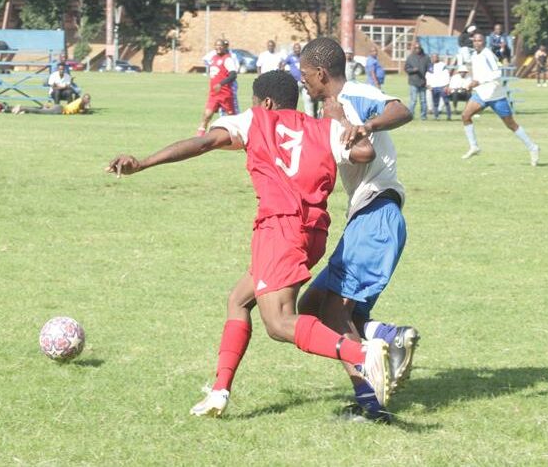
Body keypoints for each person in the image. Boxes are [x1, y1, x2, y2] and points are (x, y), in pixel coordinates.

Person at [104, 70, 392, 418]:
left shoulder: (256, 119)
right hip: (313, 232)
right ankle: (219, 391)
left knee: (279, 323)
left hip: (278, 229)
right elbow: (363, 153)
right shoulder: (323, 128)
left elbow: (204, 143)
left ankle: (364, 354)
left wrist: (144, 162)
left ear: (266, 103)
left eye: (255, 102)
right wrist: (344, 122)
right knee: (238, 300)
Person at [297, 37, 417, 422]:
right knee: (312, 307)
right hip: (365, 219)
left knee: (333, 311)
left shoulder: (355, 95)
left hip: (377, 214)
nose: (303, 84)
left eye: (304, 76)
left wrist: (364, 124)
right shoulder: (332, 112)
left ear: (320, 73)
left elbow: (402, 110)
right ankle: (388, 337)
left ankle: (371, 405)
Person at [460, 33, 540, 166]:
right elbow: (478, 74)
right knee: (465, 116)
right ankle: (474, 146)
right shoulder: (474, 55)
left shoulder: (488, 54)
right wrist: (471, 83)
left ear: (484, 42)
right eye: (474, 41)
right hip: (481, 94)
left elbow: (497, 73)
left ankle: (533, 148)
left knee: (511, 125)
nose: (476, 43)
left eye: (479, 40)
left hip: (496, 95)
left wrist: (479, 82)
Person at [196, 39, 238, 136]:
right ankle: (200, 135)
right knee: (207, 115)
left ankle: (239, 136)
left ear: (224, 47)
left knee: (232, 117)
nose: (218, 47)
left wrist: (221, 84)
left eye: (220, 45)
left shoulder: (227, 59)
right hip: (214, 94)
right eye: (216, 45)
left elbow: (233, 75)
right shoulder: (213, 58)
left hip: (225, 93)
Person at [283, 42, 316, 117]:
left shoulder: (304, 57)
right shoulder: (290, 57)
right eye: (295, 48)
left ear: (300, 49)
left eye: (298, 48)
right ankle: (290, 116)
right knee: (291, 99)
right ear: (293, 49)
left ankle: (310, 117)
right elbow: (282, 65)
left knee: (308, 99)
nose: (297, 49)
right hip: (294, 82)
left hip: (304, 83)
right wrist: (285, 74)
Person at [404, 41, 431, 120]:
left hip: (423, 82)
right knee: (413, 100)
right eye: (416, 48)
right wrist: (413, 70)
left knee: (423, 100)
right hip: (413, 82)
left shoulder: (426, 57)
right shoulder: (410, 57)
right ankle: (410, 116)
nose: (417, 49)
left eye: (418, 48)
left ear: (421, 48)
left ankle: (423, 116)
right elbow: (406, 68)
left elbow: (430, 68)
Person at [426, 53, 451, 121]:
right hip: (434, 87)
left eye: (435, 57)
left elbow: (447, 75)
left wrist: (447, 85)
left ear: (438, 58)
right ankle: (436, 116)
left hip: (442, 86)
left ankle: (449, 116)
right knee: (435, 103)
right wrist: (428, 85)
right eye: (433, 57)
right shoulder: (430, 66)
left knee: (446, 102)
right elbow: (428, 76)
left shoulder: (442, 65)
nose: (434, 58)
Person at [12, 93, 91, 115]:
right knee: (40, 112)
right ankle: (22, 107)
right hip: (60, 110)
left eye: (88, 99)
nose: (87, 100)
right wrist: (87, 109)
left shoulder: (80, 100)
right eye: (86, 98)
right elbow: (82, 112)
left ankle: (24, 111)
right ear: (83, 98)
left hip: (60, 107)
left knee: (40, 110)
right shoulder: (81, 102)